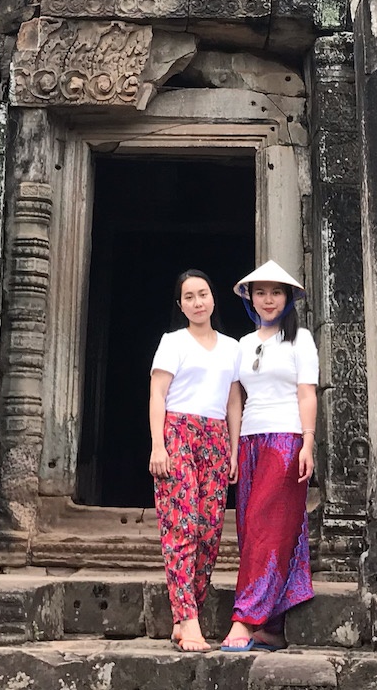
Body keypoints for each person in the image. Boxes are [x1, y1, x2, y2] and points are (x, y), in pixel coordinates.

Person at [222, 260, 319, 652]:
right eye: (260, 292)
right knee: (253, 530)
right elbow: (234, 400)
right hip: (249, 440)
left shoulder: (301, 339)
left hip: (286, 439)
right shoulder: (243, 344)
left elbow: (307, 393)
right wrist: (232, 449)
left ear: (288, 298)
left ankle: (244, 619)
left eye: (275, 292)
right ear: (250, 298)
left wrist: (308, 444)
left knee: (265, 525)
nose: (268, 299)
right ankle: (272, 627)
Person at [149, 269, 241, 652]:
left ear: (213, 299)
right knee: (181, 525)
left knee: (209, 532)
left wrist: (234, 450)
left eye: (203, 294)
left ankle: (186, 615)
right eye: (189, 297)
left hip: (217, 438)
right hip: (178, 433)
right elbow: (158, 394)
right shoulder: (173, 342)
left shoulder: (232, 347)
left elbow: (234, 400)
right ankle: (188, 620)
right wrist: (158, 445)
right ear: (180, 305)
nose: (198, 302)